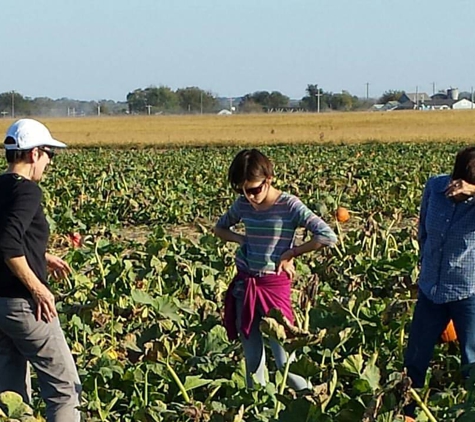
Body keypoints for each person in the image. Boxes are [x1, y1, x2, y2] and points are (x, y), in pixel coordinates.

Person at [214, 148, 337, 391]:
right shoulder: (243, 205)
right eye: (243, 190)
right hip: (245, 285)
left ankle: (314, 402)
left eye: (254, 189)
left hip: (273, 286)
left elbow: (327, 236)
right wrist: (241, 240)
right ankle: (257, 410)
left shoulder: (289, 205)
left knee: (285, 363)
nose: (249, 197)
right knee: (252, 362)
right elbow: (220, 228)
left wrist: (292, 253)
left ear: (269, 179)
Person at [0, 119, 81, 421]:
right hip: (24, 306)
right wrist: (37, 287)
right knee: (64, 389)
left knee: (10, 395)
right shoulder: (28, 191)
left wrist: (41, 255)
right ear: (34, 154)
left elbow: (6, 237)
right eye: (49, 154)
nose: (49, 161)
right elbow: (8, 243)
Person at [404, 146, 475, 418]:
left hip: (468, 290)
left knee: (472, 360)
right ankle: (408, 411)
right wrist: (426, 262)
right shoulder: (435, 187)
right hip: (431, 287)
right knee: (415, 358)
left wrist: (473, 192)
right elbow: (423, 228)